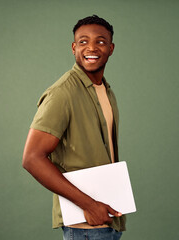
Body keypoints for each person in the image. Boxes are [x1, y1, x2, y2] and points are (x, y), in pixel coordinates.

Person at [22, 15, 126, 239]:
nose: (91, 47)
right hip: (84, 225)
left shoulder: (106, 91)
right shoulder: (63, 92)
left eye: (100, 41)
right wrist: (89, 205)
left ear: (111, 48)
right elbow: (31, 158)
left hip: (107, 219)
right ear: (73, 47)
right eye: (83, 41)